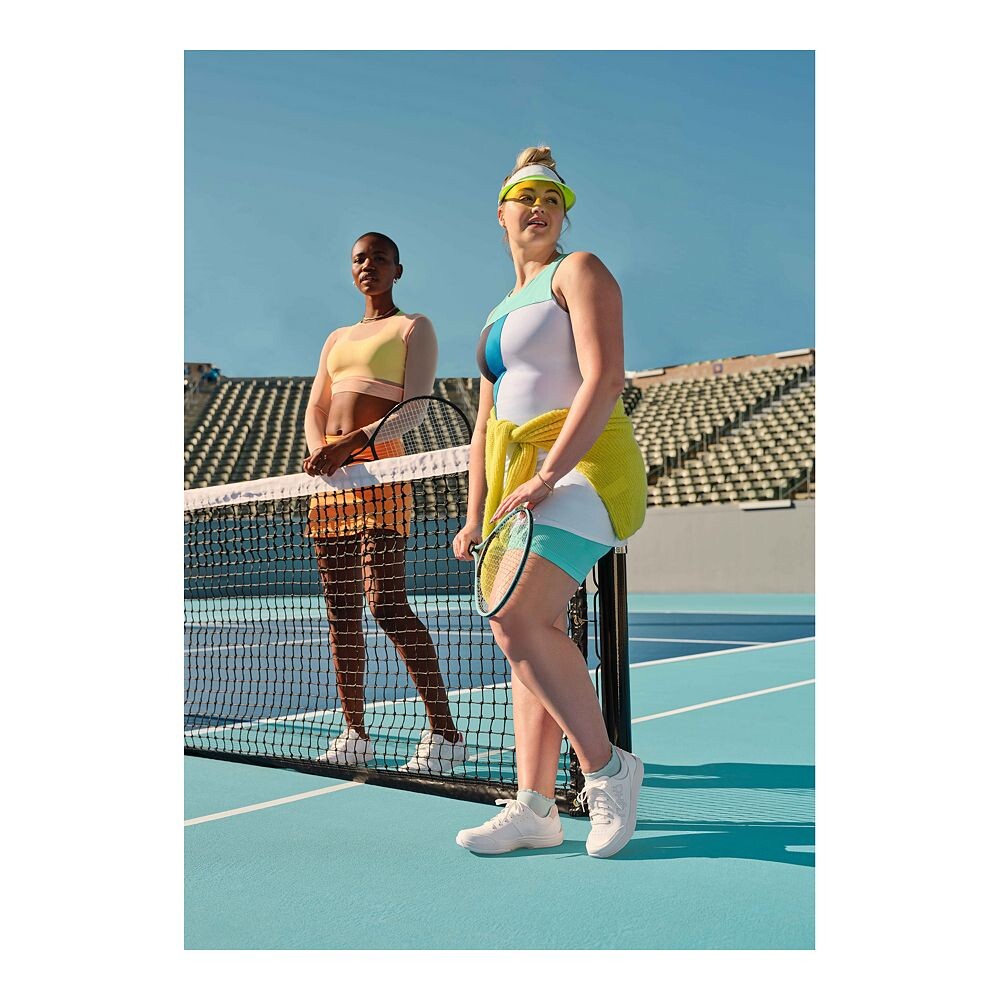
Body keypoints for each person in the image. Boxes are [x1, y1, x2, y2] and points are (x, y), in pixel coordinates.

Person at [453, 148, 648, 858]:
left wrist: (547, 475)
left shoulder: (579, 271)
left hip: (587, 469)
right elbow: (484, 427)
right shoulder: (494, 317)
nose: (539, 207)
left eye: (552, 199)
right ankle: (535, 807)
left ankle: (609, 771)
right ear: (500, 213)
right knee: (524, 641)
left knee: (519, 616)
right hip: (521, 482)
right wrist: (477, 514)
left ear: (564, 216)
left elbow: (605, 379)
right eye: (526, 196)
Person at [303, 232, 465, 774]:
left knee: (386, 605)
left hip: (382, 470)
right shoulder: (336, 338)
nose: (367, 265)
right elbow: (316, 408)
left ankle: (446, 734)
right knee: (340, 612)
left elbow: (413, 410)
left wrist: (350, 445)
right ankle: (354, 734)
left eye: (379, 258)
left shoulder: (414, 327)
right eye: (359, 259)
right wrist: (322, 451)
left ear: (398, 269)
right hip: (332, 482)